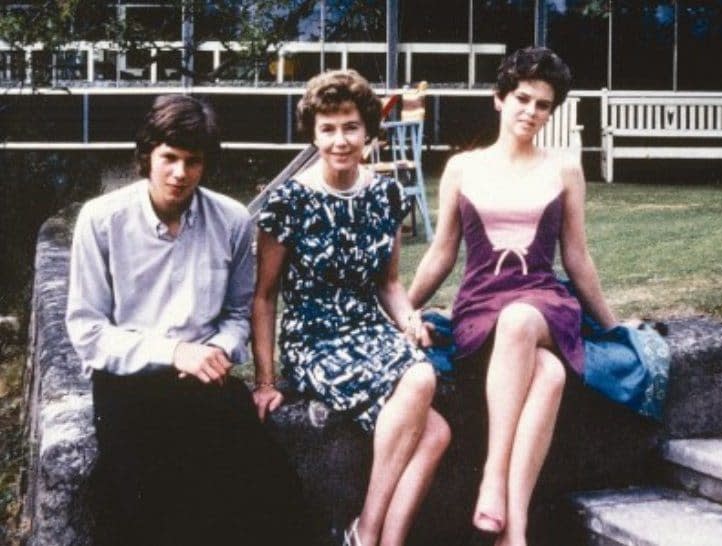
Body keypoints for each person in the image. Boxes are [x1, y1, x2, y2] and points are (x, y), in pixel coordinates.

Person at [65, 94, 310, 545]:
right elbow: (87, 329)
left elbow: (238, 312)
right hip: (130, 381)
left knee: (275, 494)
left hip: (205, 379)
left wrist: (218, 350)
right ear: (147, 156)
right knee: (148, 509)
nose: (180, 173)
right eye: (169, 158)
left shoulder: (233, 220)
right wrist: (173, 350)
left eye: (192, 161)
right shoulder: (101, 220)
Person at [408, 47, 618, 545]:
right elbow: (442, 252)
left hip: (542, 301)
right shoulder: (463, 168)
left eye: (543, 104)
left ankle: (491, 479)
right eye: (523, 98)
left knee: (522, 319)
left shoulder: (565, 169)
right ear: (499, 99)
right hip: (481, 304)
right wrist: (406, 307)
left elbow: (577, 257)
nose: (531, 111)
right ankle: (515, 533)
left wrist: (611, 326)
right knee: (546, 375)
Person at [252, 69, 451, 546]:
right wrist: (264, 380)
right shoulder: (289, 201)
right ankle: (366, 529)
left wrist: (407, 316)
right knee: (421, 377)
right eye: (328, 129)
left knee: (437, 433)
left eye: (350, 127)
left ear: (367, 130)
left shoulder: (387, 195)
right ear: (313, 133)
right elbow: (263, 295)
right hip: (314, 340)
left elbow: (389, 282)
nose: (340, 140)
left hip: (368, 330)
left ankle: (385, 540)